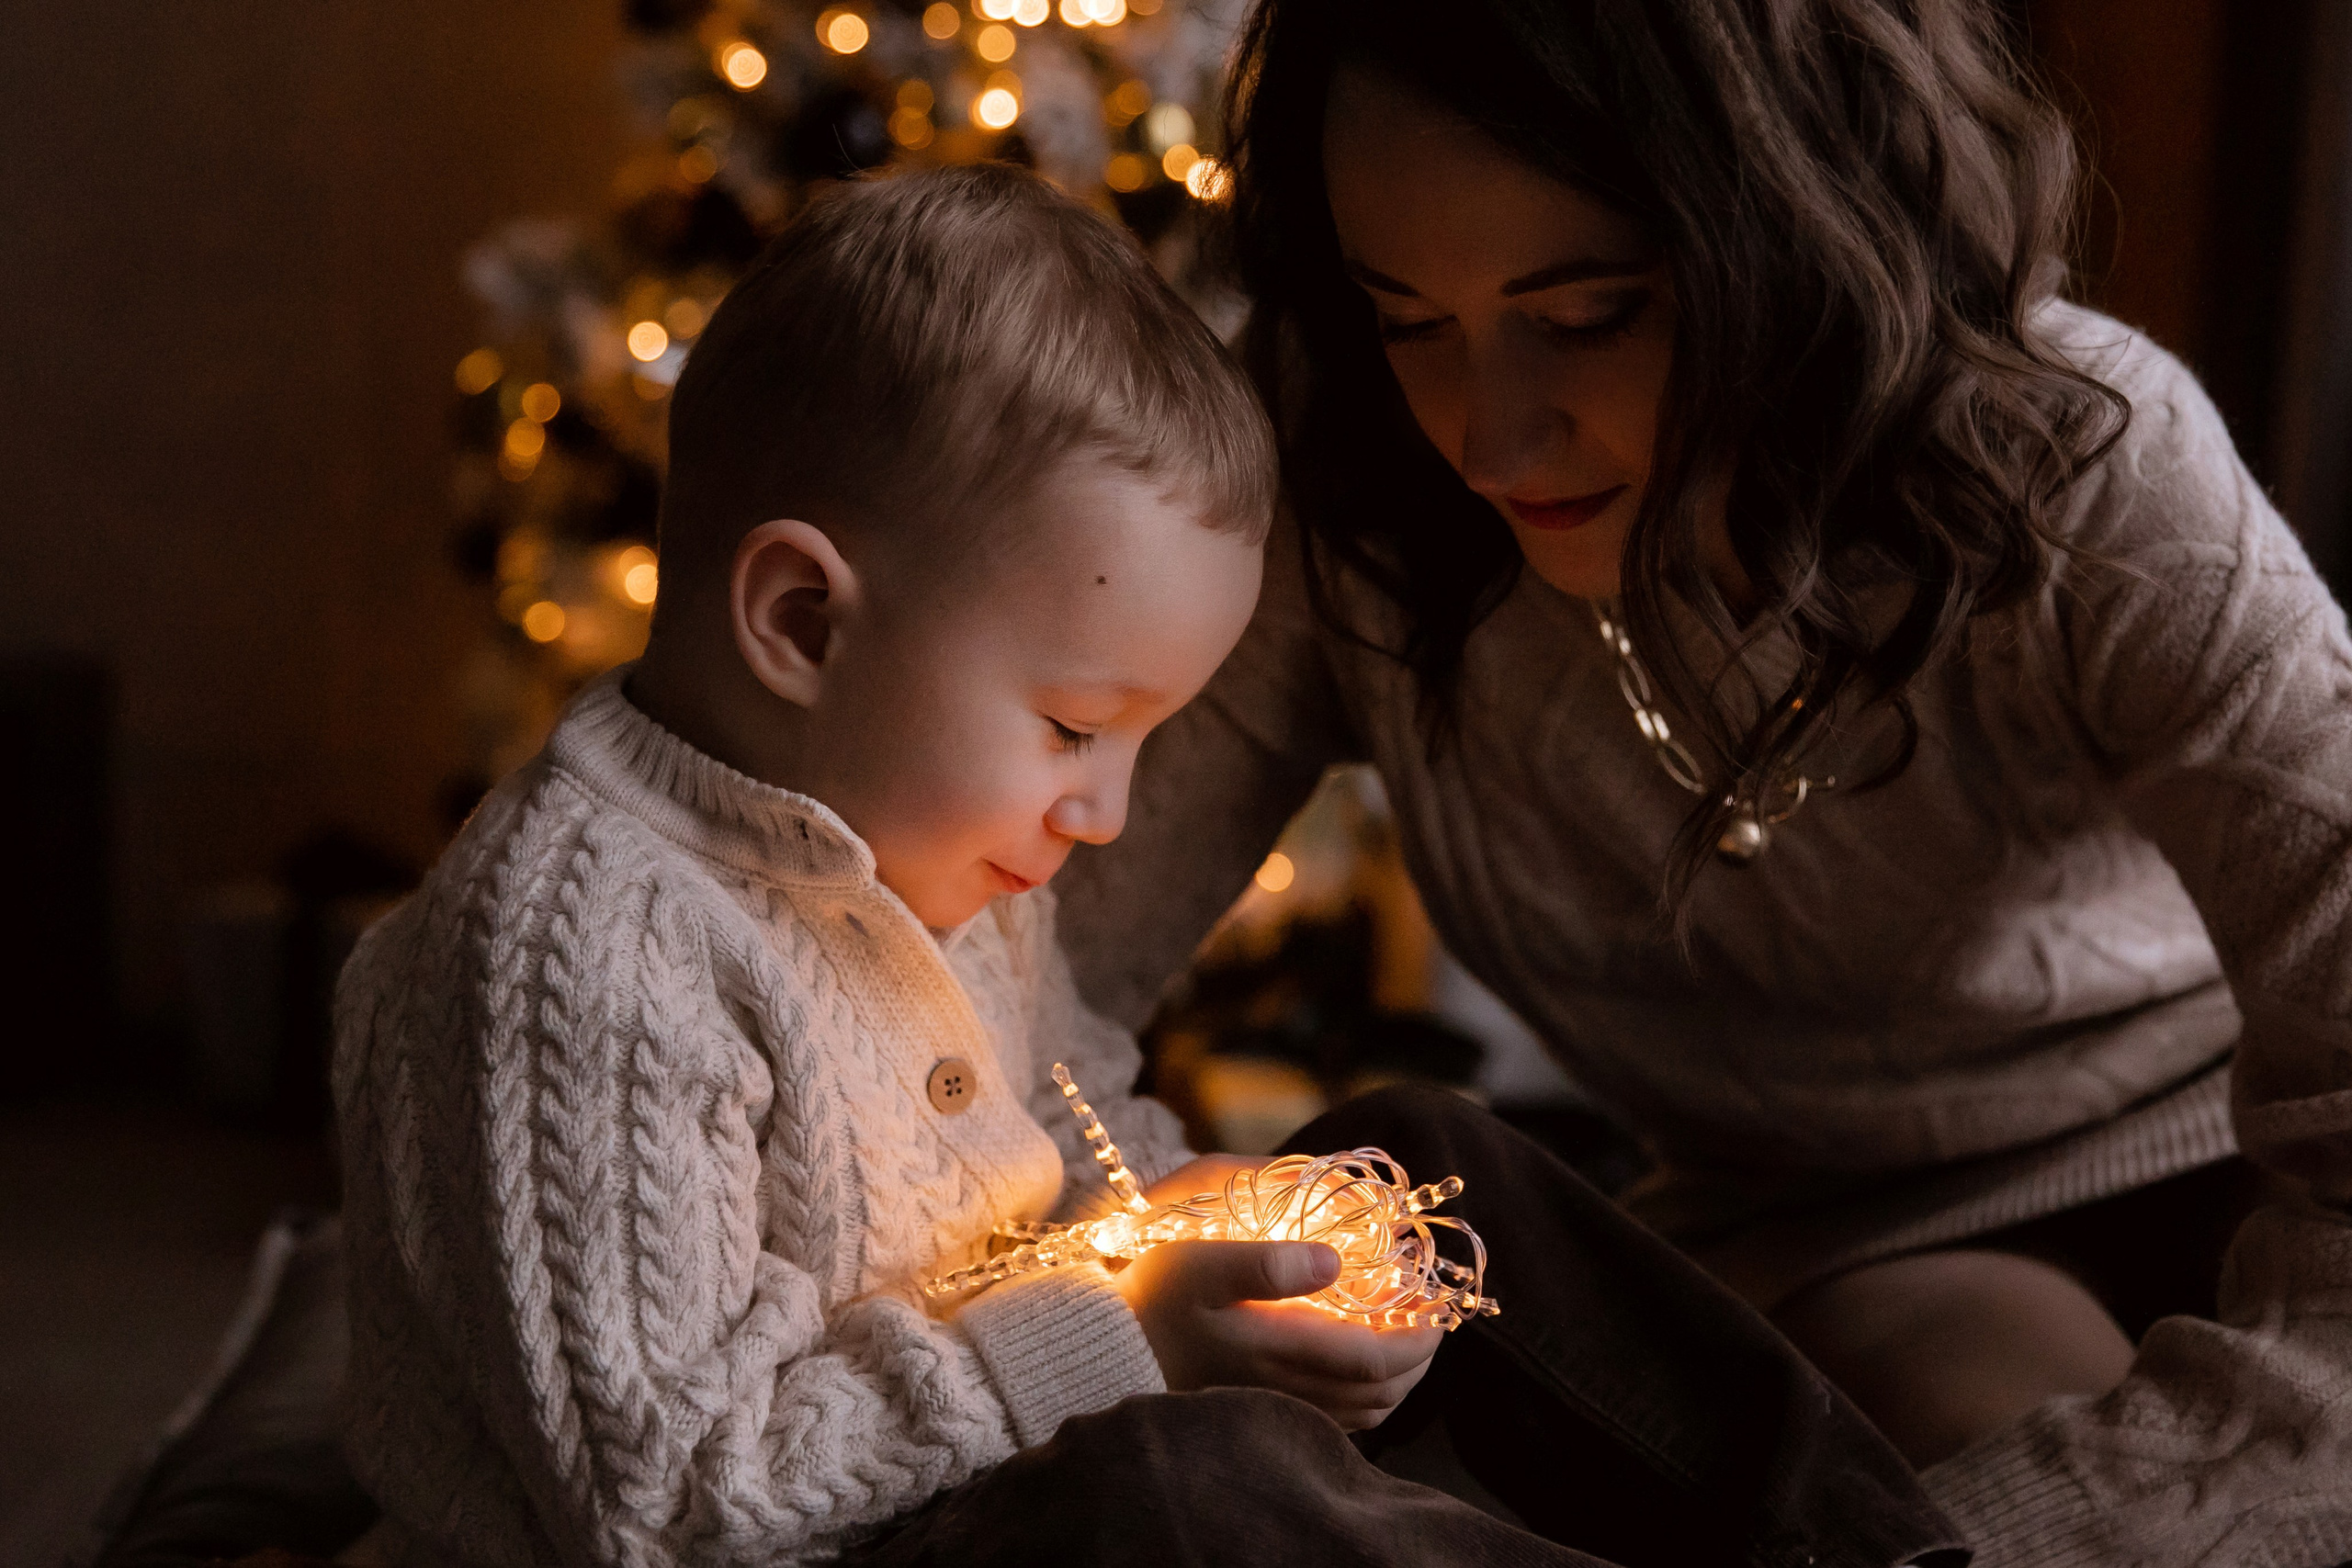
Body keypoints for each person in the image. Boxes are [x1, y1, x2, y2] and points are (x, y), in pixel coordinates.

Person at [329, 165, 1958, 1568]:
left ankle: (1866, 1548)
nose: (1103, 814)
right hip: (812, 1542)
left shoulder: (916, 839)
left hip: (985, 1465)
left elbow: (1047, 1137)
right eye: (1070, 725)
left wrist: (1195, 1231)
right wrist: (1125, 1336)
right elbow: (670, 1515)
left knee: (1416, 1165)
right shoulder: (580, 957)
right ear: (805, 622)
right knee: (1191, 1493)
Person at [1051, 2, 2352, 1562]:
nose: (1489, 430)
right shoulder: (1347, 493)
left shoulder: (2086, 460)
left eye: (1591, 313)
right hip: (1795, 1250)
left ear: (1808, 241)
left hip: (2211, 1171)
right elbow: (1026, 979)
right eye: (1408, 319)